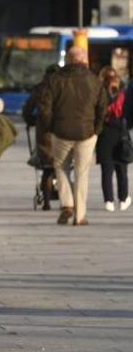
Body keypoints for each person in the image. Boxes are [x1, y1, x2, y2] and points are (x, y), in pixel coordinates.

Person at [38, 46, 107, 225]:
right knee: (82, 172)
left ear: (68, 60)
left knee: (61, 166)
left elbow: (44, 106)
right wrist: (96, 130)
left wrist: (50, 126)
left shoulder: (54, 79)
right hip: (86, 133)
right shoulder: (95, 81)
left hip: (60, 132)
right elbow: (102, 108)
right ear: (85, 61)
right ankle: (80, 216)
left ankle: (67, 204)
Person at [22, 65, 59, 210]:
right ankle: (66, 201)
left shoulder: (40, 89)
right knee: (63, 168)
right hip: (64, 131)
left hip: (44, 133)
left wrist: (32, 121)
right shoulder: (65, 87)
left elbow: (27, 110)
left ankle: (47, 202)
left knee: (47, 169)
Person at [96, 67, 130, 211]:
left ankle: (108, 201)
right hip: (121, 133)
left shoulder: (99, 93)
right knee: (122, 169)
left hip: (104, 134)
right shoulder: (124, 93)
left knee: (106, 170)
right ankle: (123, 199)